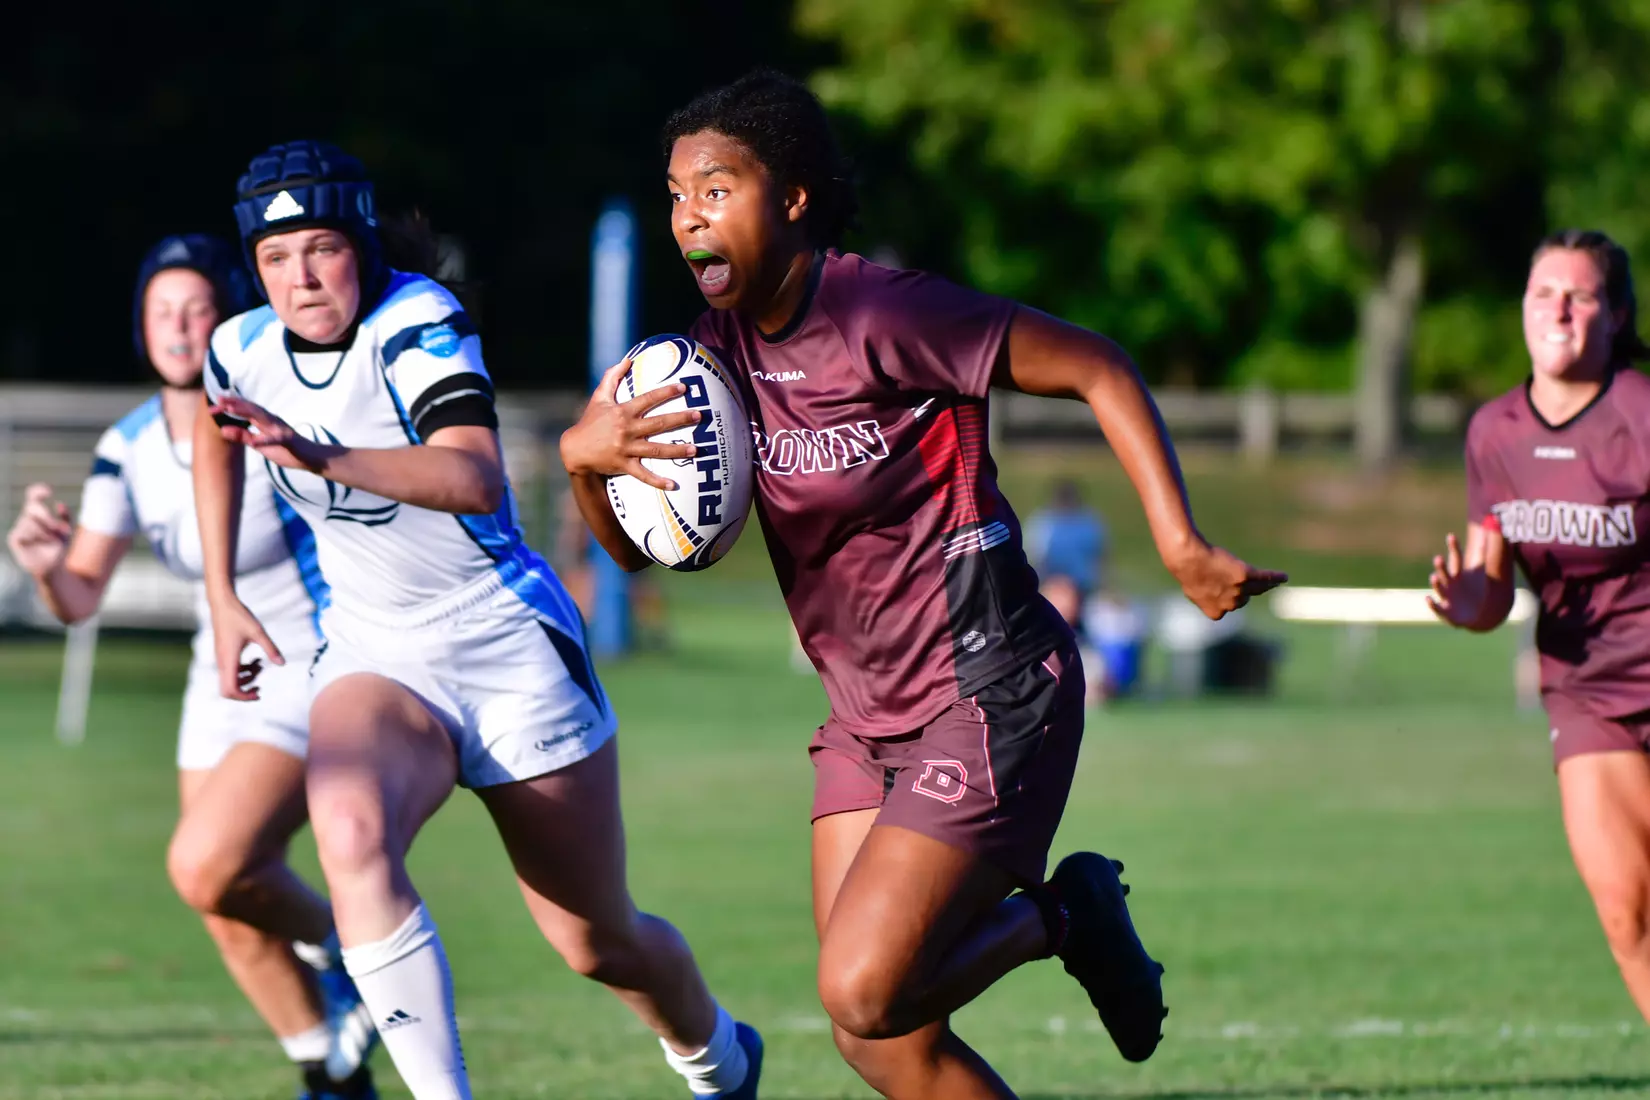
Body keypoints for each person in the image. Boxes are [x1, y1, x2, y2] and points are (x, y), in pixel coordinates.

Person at [560, 71, 1286, 1100]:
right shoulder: (699, 365)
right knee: (881, 1035)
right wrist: (586, 463)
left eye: (717, 189)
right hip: (864, 721)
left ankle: (1059, 915)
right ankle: (1064, 915)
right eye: (678, 196)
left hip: (990, 694)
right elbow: (638, 555)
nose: (690, 218)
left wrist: (1181, 542)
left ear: (795, 196)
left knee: (861, 989)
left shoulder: (877, 311)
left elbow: (1098, 365)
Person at [195, 140, 761, 1100]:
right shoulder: (238, 346)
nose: (300, 277)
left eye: (320, 248)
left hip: (504, 645)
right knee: (348, 830)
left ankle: (720, 1059)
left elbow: (471, 473)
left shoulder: (416, 318)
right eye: (275, 259)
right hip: (377, 653)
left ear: (360, 243)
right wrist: (222, 595)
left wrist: (319, 455)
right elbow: (219, 431)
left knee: (596, 940)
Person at [4, 234, 377, 1100]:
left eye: (197, 308)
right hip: (219, 679)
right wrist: (44, 565)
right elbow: (80, 597)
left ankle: (363, 955)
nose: (179, 327)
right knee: (224, 898)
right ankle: (329, 1072)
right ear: (142, 327)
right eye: (161, 311)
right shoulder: (126, 444)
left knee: (206, 862)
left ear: (229, 319)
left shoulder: (267, 412)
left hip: (312, 662)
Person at [1429, 228, 1650, 1027]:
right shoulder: (1495, 430)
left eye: (1581, 294)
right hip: (1586, 692)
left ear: (1616, 315)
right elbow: (1492, 591)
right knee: (1625, 911)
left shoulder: (1642, 415)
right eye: (1542, 293)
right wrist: (1469, 604)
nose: (1558, 309)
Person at [1025, 478, 1108, 600]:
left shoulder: (1090, 522)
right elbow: (1035, 560)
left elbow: (1101, 558)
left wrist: (1103, 586)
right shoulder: (1042, 522)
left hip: (1083, 587)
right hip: (1049, 585)